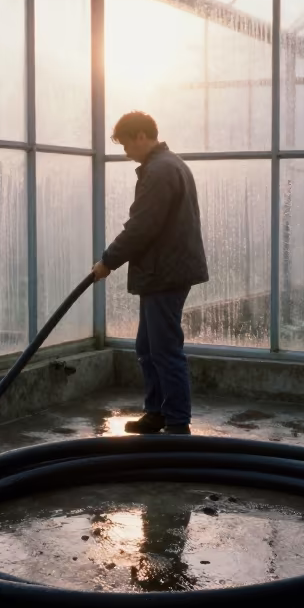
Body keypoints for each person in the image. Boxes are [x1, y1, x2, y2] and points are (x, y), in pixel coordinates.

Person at [92, 112, 208, 435]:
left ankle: (176, 421)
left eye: (127, 143)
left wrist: (107, 261)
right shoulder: (170, 165)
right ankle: (156, 412)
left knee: (165, 348)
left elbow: (141, 228)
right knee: (148, 346)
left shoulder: (159, 172)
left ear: (142, 135)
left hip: (165, 273)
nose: (126, 151)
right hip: (164, 271)